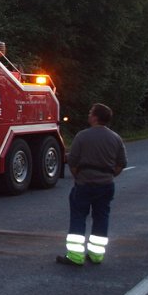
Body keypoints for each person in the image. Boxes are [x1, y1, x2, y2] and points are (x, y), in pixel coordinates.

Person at [57, 103, 127, 266]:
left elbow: (72, 161)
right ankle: (96, 256)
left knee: (78, 217)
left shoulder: (82, 136)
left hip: (84, 184)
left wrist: (79, 176)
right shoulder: (115, 138)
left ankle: (75, 256)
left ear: (95, 117)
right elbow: (121, 163)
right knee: (101, 217)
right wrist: (109, 175)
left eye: (90, 113)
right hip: (106, 185)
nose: (88, 115)